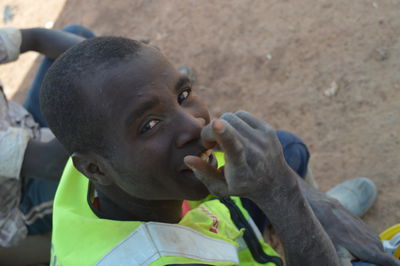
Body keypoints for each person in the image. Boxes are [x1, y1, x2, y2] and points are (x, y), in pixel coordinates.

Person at [39, 34, 399, 266]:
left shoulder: (102, 167)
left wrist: (323, 208)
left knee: (284, 150)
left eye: (182, 96)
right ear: (95, 169)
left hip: (225, 227)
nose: (195, 125)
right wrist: (285, 197)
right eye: (149, 125)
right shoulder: (150, 259)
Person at [0, 25, 92, 264]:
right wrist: (106, 96)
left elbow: (36, 38)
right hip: (19, 201)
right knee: (99, 174)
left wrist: (111, 65)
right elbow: (54, 163)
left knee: (82, 46)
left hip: (29, 132)